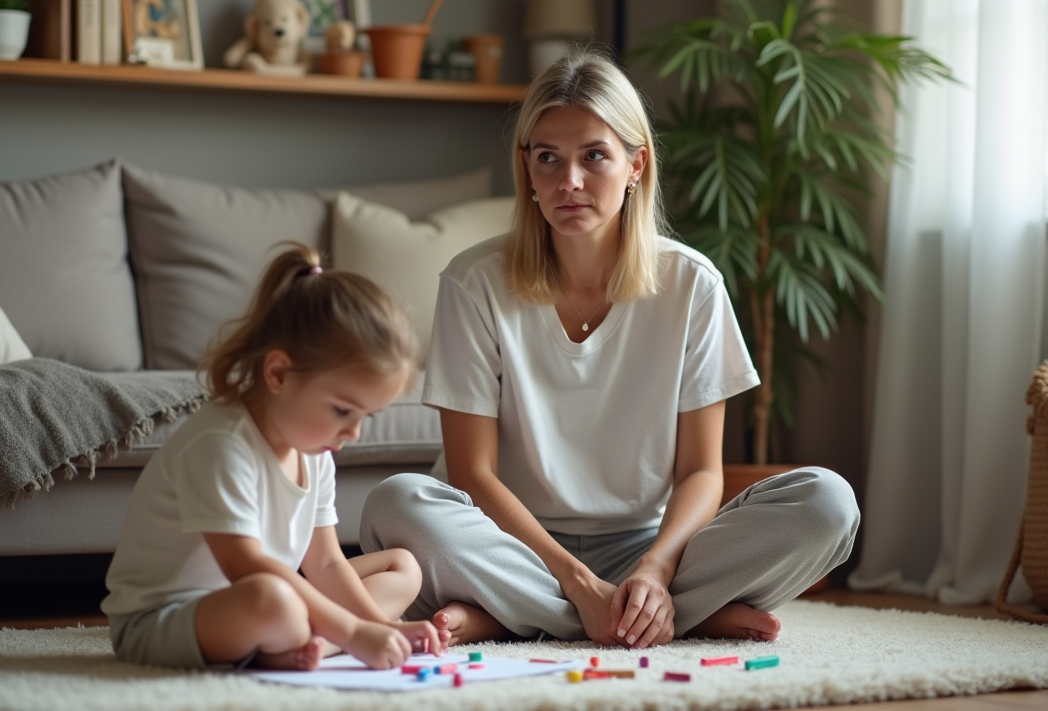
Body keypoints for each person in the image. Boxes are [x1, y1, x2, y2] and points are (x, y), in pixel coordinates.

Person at [360, 50, 860, 649]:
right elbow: (473, 474)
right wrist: (576, 581)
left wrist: (656, 568)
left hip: (644, 545)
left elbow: (702, 472)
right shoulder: (474, 282)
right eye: (548, 158)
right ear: (527, 169)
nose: (569, 181)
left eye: (594, 156)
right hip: (508, 543)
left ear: (635, 164)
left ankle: (522, 616)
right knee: (396, 504)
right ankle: (662, 616)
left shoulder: (693, 284)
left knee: (828, 504)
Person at [102, 244, 443, 670]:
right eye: (343, 410)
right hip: (164, 620)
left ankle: (304, 644)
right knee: (275, 599)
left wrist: (381, 626)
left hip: (266, 597)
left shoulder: (315, 450)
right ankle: (317, 640)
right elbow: (245, 566)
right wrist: (355, 631)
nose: (353, 433)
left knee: (402, 566)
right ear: (279, 373)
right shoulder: (220, 443)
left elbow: (325, 563)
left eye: (365, 416)